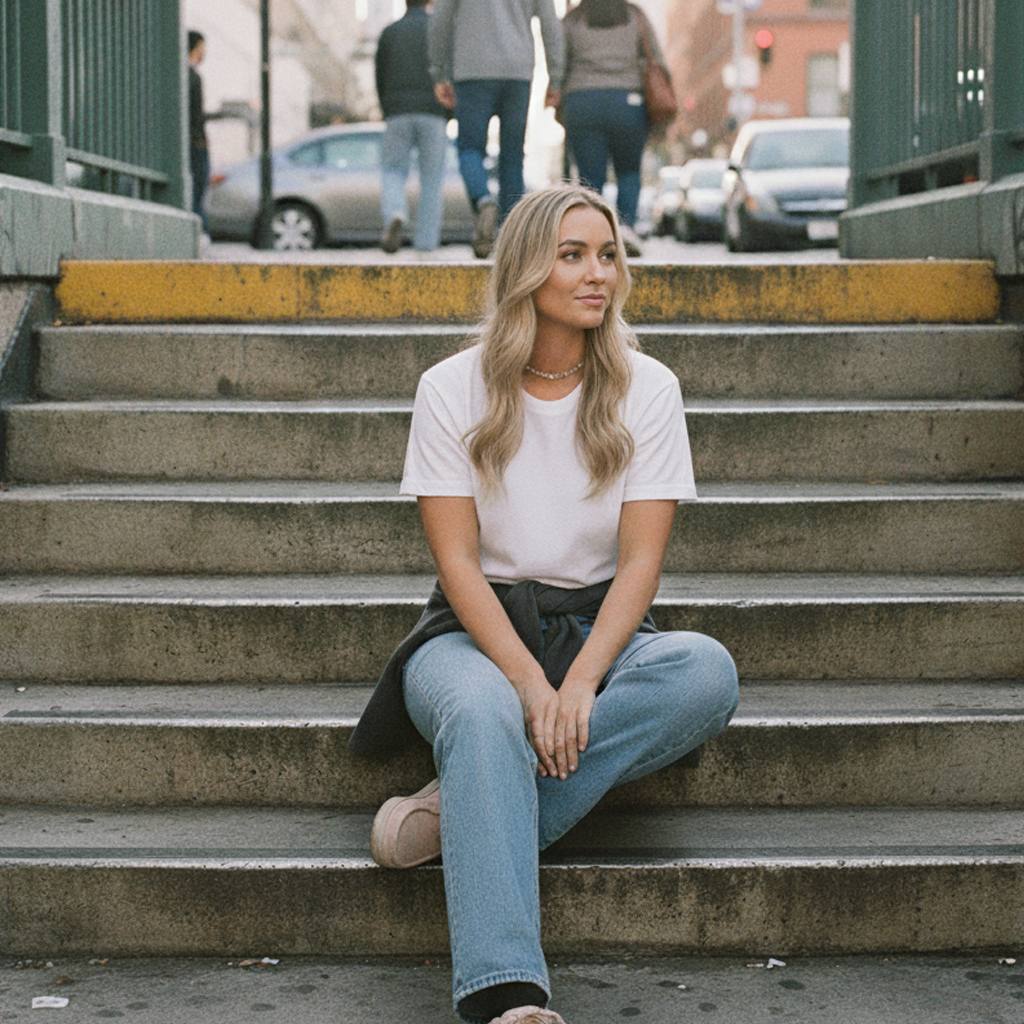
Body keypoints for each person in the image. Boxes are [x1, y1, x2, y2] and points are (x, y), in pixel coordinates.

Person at [350, 184, 739, 1024]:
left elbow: (641, 565)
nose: (597, 274)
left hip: (599, 628)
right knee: (488, 708)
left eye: (607, 255)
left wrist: (584, 682)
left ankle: (463, 819)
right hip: (474, 632)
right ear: (528, 268)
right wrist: (533, 684)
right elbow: (456, 563)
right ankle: (505, 993)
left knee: (706, 671)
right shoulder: (451, 387)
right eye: (573, 255)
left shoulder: (649, 388)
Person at [428, 0, 565, 258]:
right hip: (518, 71)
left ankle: (483, 201)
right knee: (513, 156)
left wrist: (439, 73)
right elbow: (550, 25)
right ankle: (511, 237)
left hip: (471, 70)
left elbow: (439, 22)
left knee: (470, 148)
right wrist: (555, 79)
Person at [559, 0, 671, 256]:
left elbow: (559, 60)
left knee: (589, 179)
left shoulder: (573, 20)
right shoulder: (635, 16)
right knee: (629, 171)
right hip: (628, 103)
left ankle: (592, 237)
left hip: (582, 102)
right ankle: (626, 229)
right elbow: (656, 56)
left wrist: (557, 90)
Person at [375, 0, 452, 253]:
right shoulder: (440, 29)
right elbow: (450, 69)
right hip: (434, 112)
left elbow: (380, 74)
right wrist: (449, 112)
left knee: (392, 170)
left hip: (397, 111)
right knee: (432, 179)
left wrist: (387, 109)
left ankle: (395, 212)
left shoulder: (390, 32)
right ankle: (426, 244)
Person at [187, 31, 210, 234]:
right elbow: (196, 115)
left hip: (189, 142)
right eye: (202, 48)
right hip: (196, 144)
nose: (204, 53)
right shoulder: (193, 77)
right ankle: (200, 233)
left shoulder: (178, 75)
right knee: (198, 193)